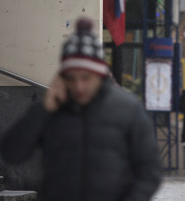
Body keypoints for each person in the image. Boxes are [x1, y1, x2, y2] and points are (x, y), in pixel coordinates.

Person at [0, 17, 162, 201]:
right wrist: (42, 111)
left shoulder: (128, 109)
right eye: (71, 78)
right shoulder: (50, 109)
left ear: (99, 75)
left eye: (86, 78)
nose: (79, 86)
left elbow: (150, 171)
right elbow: (11, 154)